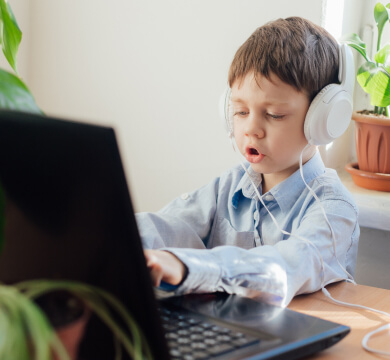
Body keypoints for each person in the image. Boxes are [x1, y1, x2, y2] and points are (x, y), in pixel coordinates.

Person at [136, 16, 360, 307]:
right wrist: (122, 240)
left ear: (324, 119)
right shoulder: (231, 185)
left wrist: (186, 266)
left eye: (274, 114)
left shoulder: (334, 209)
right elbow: (171, 225)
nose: (250, 129)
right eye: (240, 111)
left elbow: (282, 267)